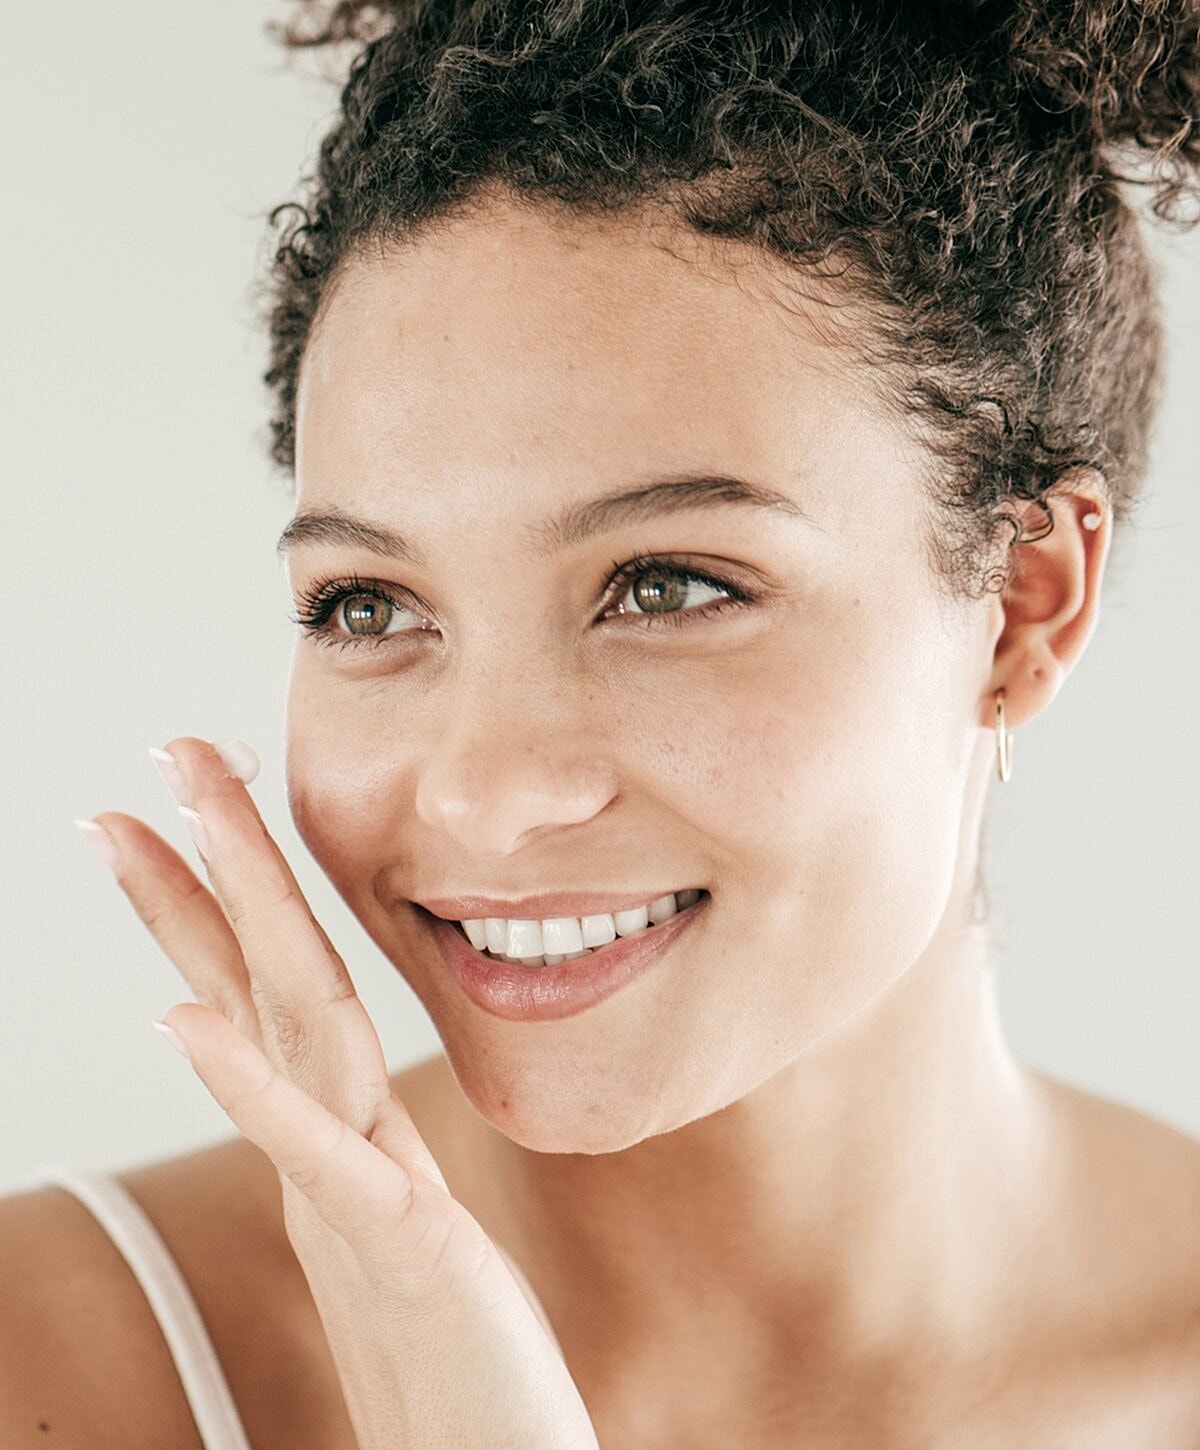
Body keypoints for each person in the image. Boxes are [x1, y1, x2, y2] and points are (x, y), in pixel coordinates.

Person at [5, 0, 1200, 1445]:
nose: (487, 795)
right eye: (370, 606)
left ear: (1022, 604)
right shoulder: (49, 1363)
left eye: (667, 586)